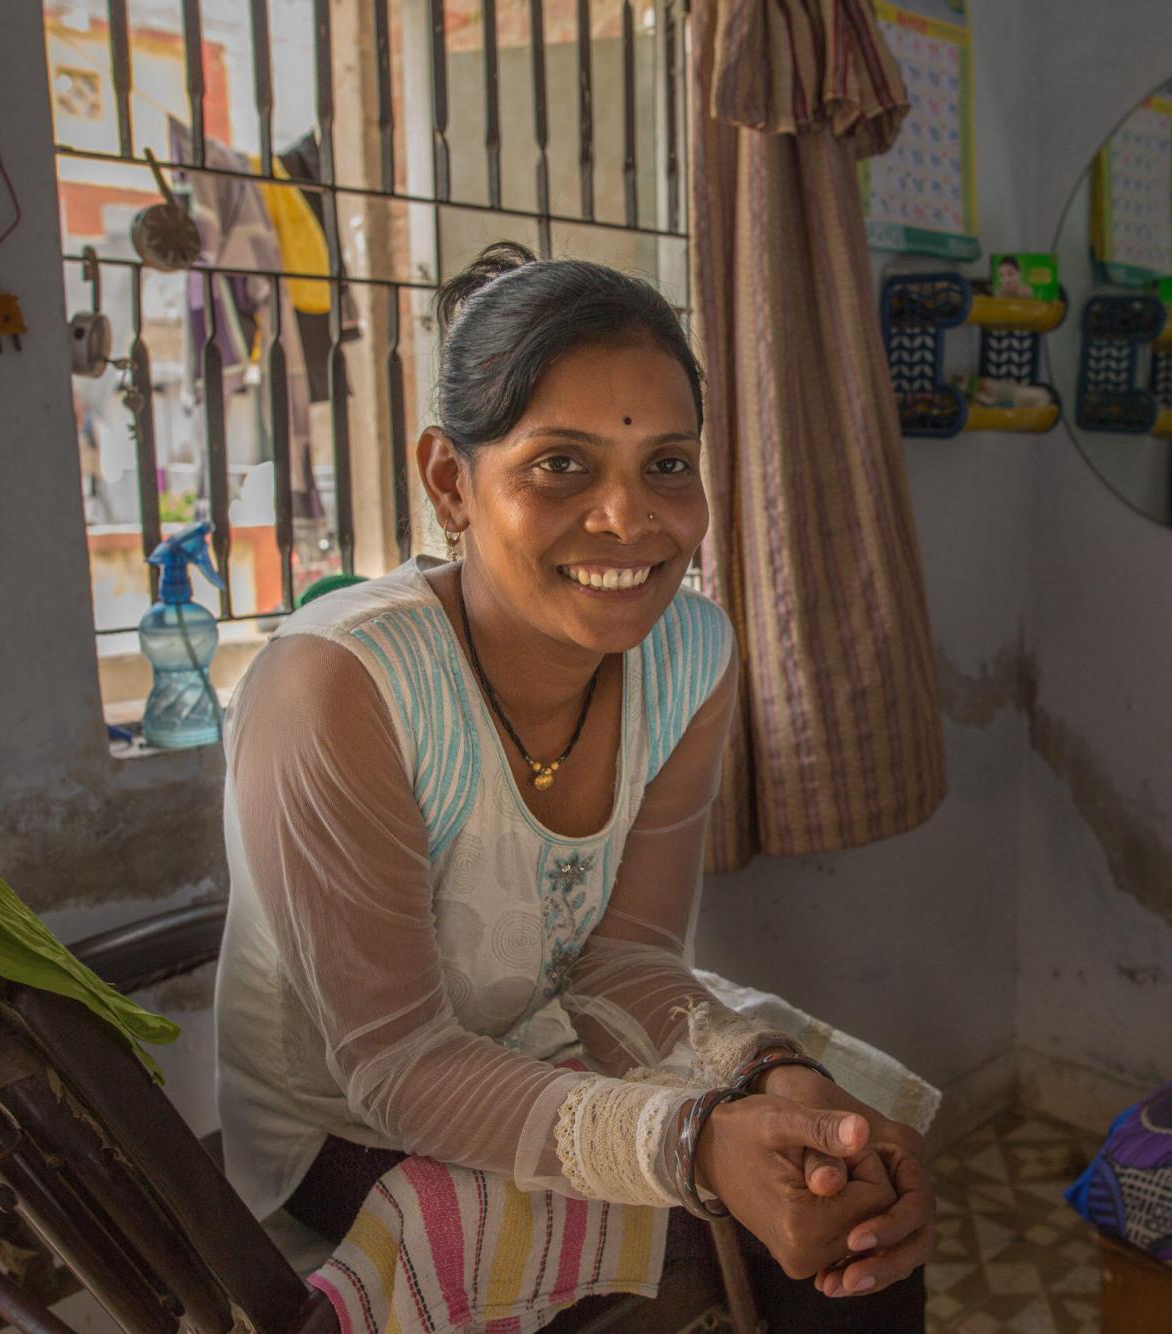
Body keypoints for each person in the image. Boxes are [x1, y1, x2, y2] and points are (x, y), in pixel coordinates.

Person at [215, 241, 934, 1330]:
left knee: (849, 1183)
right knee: (751, 1222)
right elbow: (395, 1065)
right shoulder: (340, 685)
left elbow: (624, 957)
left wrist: (767, 1082)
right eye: (560, 464)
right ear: (449, 482)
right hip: (339, 1117)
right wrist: (694, 1144)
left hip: (535, 1033)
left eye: (667, 464)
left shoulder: (689, 650)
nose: (629, 519)